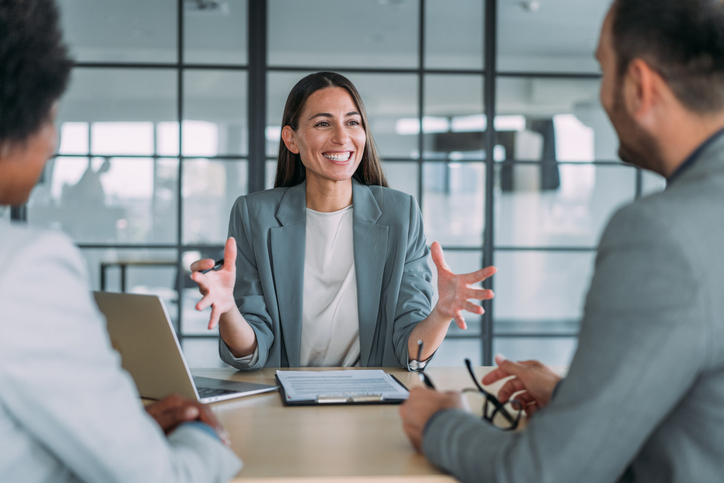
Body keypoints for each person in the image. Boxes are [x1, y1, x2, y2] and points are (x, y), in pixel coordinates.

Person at [400, 0, 724, 481]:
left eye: (603, 71)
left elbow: (546, 472)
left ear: (639, 86)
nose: (602, 94)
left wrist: (438, 423)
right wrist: (581, 400)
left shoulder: (661, 233)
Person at [0, 1, 241, 481]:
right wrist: (204, 435)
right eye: (54, 114)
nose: (53, 142)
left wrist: (122, 432)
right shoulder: (25, 267)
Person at [191, 71, 496, 370]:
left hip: (371, 401)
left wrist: (440, 314)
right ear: (291, 139)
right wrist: (229, 309)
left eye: (352, 122)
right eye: (323, 123)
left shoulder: (400, 213)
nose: (341, 137)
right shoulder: (254, 214)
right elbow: (251, 353)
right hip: (282, 399)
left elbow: (410, 352)